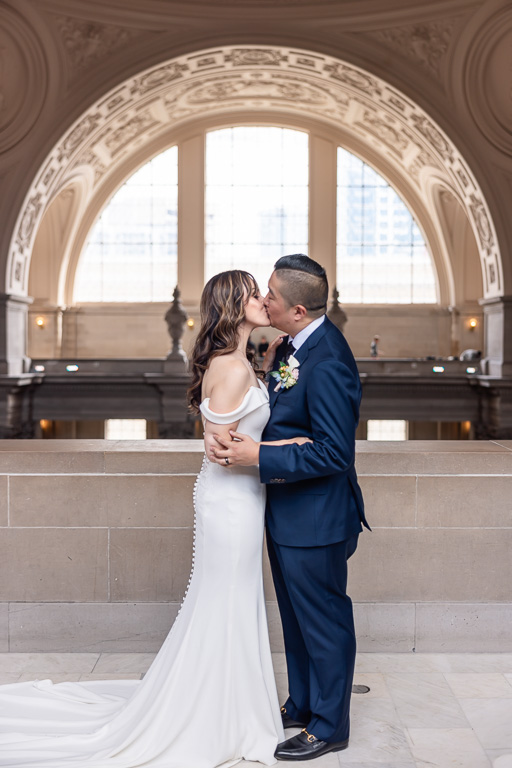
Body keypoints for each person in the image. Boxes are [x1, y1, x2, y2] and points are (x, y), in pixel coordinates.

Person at [0, 270, 308, 768]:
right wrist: (286, 445)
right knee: (225, 601)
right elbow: (220, 450)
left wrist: (269, 370)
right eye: (252, 293)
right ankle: (216, 715)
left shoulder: (241, 362)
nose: (262, 299)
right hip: (230, 503)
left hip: (242, 502)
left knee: (233, 601)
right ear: (233, 305)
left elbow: (229, 435)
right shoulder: (230, 369)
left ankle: (229, 705)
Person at [211, 254, 370, 762]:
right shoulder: (296, 345)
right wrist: (266, 367)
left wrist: (257, 454)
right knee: (298, 621)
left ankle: (329, 725)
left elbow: (333, 452)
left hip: (317, 516)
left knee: (323, 620)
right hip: (286, 511)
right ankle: (301, 704)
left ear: (298, 310)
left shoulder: (328, 361)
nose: (263, 301)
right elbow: (283, 411)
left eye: (271, 296)